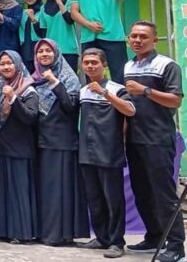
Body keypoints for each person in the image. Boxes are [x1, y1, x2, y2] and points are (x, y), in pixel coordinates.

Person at [123, 21, 184, 262]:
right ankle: (154, 237)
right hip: (135, 139)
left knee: (164, 194)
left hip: (158, 138)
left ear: (154, 40)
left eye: (143, 36)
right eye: (134, 36)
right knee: (142, 193)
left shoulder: (167, 65)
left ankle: (177, 246)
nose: (137, 40)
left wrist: (146, 91)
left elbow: (175, 100)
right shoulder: (128, 65)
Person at [78, 48, 135, 259]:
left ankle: (116, 242)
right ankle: (101, 237)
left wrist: (105, 94)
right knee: (94, 198)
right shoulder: (83, 91)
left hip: (109, 153)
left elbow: (130, 110)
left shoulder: (117, 89)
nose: (90, 66)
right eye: (87, 62)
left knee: (114, 200)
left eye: (95, 62)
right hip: (87, 152)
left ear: (105, 65)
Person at [30, 39, 88, 246]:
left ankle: (60, 234)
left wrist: (55, 82)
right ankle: (45, 232)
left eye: (48, 51)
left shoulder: (68, 77)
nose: (44, 55)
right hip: (41, 142)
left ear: (56, 53)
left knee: (59, 190)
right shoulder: (34, 79)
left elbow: (71, 106)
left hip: (62, 141)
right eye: (40, 52)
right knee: (46, 190)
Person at [0, 51, 39, 243]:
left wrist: (13, 99)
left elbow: (30, 117)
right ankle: (4, 230)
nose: (6, 67)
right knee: (4, 190)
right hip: (0, 145)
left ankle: (21, 231)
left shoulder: (28, 88)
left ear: (18, 64)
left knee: (19, 190)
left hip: (20, 147)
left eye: (10, 63)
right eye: (2, 64)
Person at [70, 0, 129, 82]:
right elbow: (74, 12)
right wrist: (88, 24)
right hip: (88, 37)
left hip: (113, 36)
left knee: (119, 73)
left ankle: (120, 100)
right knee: (91, 74)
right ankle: (93, 101)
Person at [38, 0, 79, 71]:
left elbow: (70, 20)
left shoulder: (70, 2)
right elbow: (43, 31)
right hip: (50, 51)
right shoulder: (43, 8)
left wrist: (60, 3)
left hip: (68, 49)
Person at [19, 0, 44, 73]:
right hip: (25, 46)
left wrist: (33, 18)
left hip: (38, 46)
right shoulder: (23, 12)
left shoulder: (43, 11)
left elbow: (43, 32)